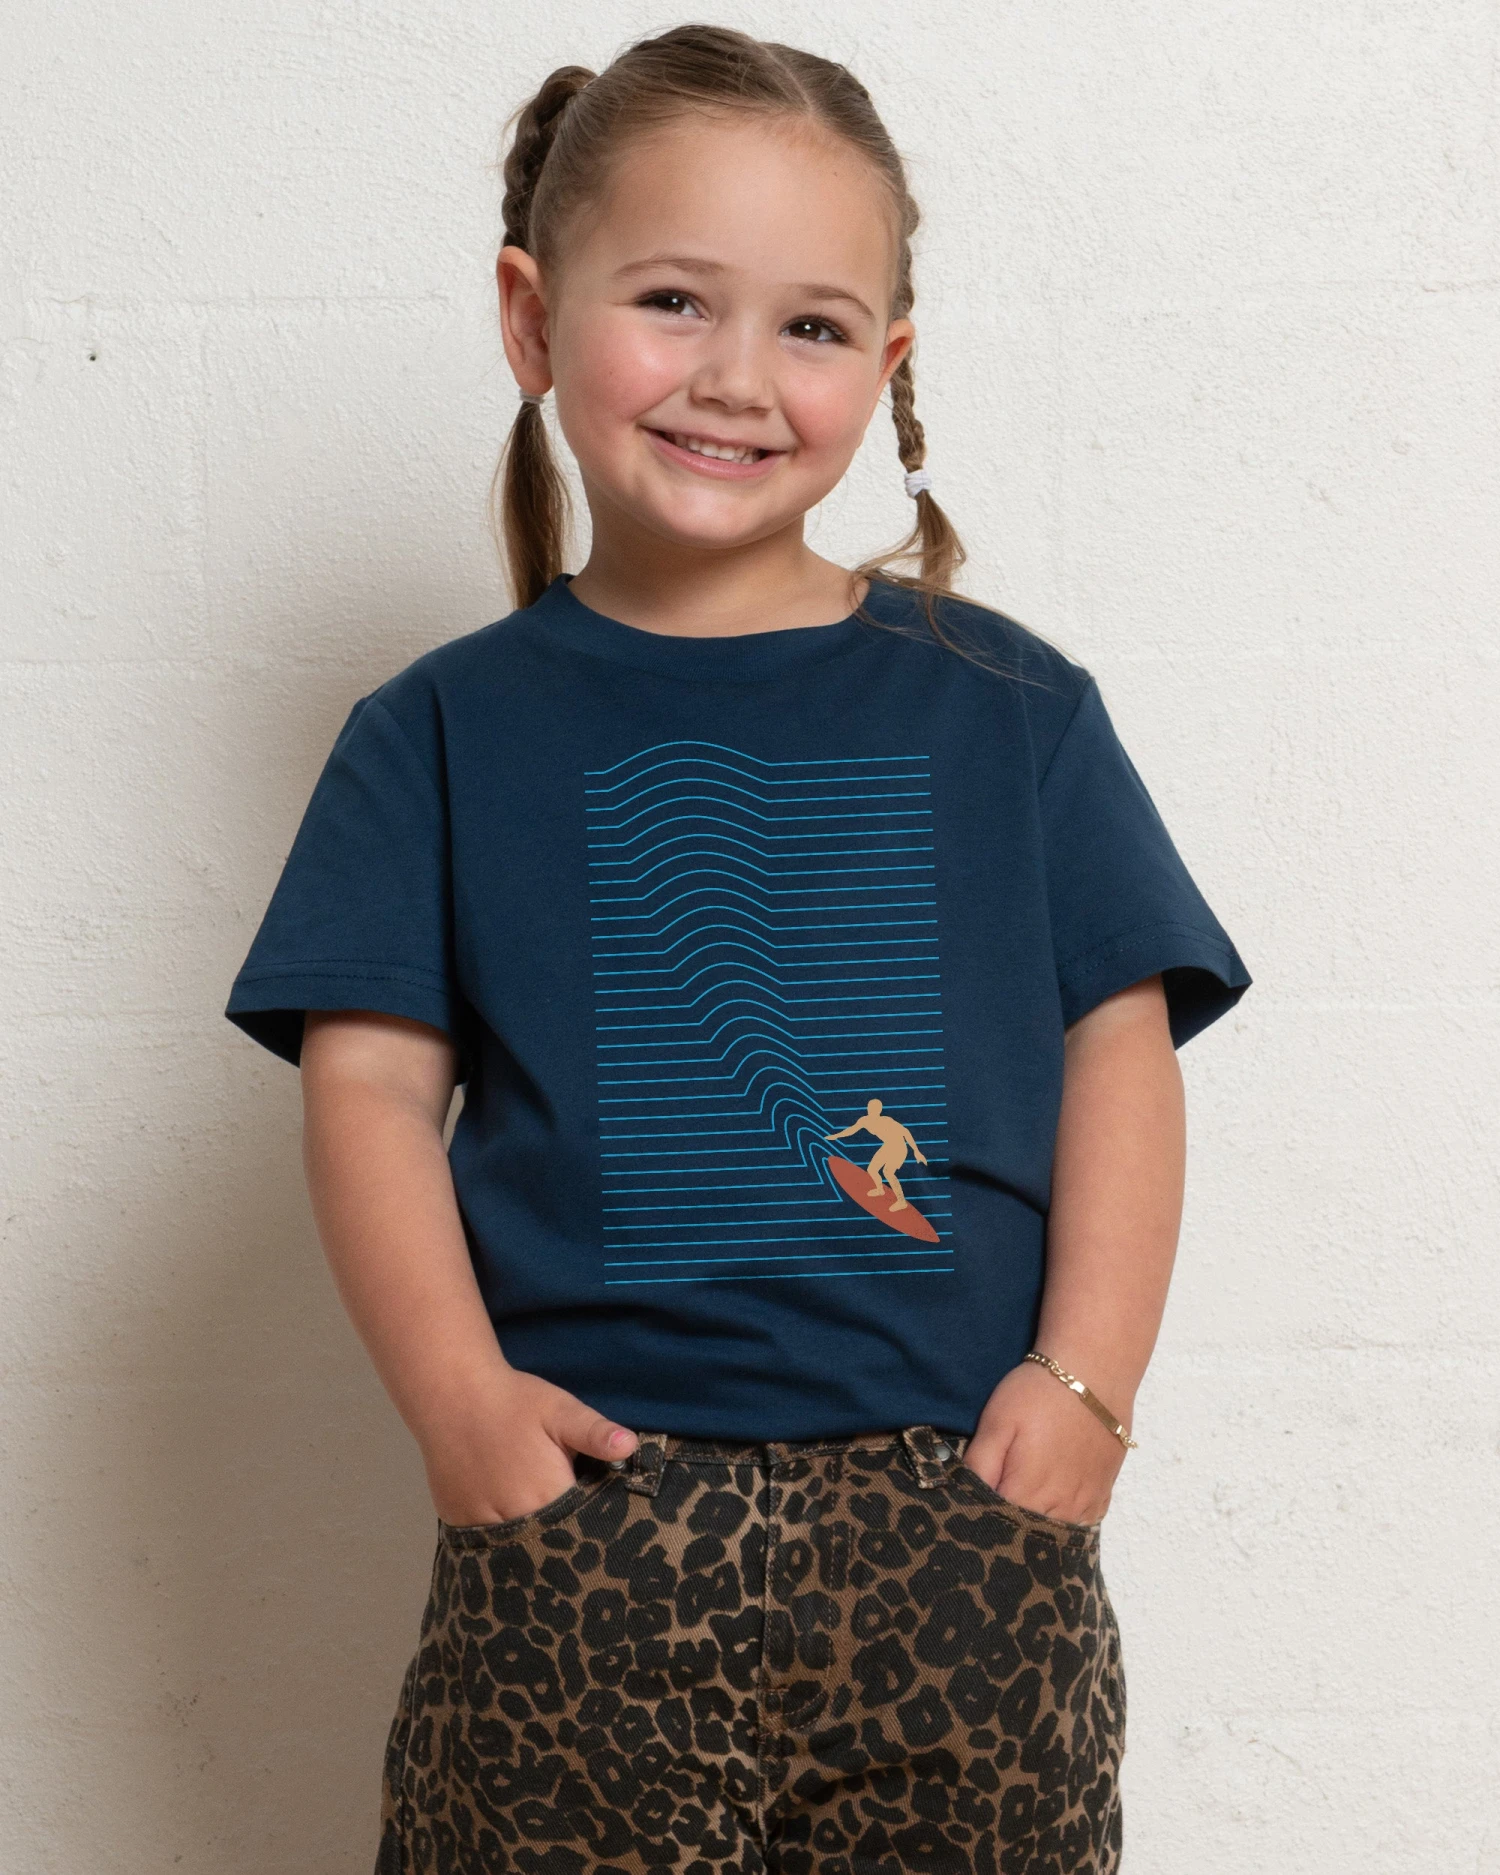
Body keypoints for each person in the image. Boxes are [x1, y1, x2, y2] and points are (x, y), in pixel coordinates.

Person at [223, 25, 1252, 1875]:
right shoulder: (438, 732)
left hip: (962, 1535)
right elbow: (367, 1093)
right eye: (675, 300)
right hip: (587, 1525)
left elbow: (1120, 1045)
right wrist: (463, 1414)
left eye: (813, 325)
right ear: (533, 319)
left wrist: (1086, 1390)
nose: (736, 376)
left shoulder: (1011, 709)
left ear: (889, 365)